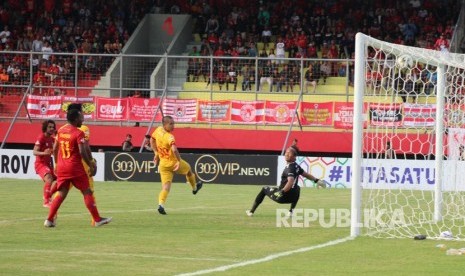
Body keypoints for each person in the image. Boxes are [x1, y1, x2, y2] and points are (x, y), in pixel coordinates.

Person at [44, 108, 111, 227]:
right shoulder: (78, 132)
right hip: (74, 167)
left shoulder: (61, 130)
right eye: (81, 117)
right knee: (87, 191)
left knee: (62, 193)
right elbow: (82, 150)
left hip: (62, 167)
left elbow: (55, 149)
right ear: (75, 119)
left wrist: (56, 164)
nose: (83, 119)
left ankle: (49, 220)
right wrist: (90, 164)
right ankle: (97, 219)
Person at [246, 140, 328, 217]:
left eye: (289, 153)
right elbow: (306, 175)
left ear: (294, 157)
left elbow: (291, 181)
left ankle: (251, 212)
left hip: (282, 197)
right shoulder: (296, 166)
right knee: (298, 188)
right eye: (286, 152)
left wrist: (281, 191)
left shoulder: (289, 168)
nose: (286, 154)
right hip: (292, 198)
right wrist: (317, 181)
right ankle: (291, 211)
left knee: (264, 189)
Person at [150, 115, 203, 215]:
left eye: (173, 123)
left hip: (163, 164)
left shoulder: (158, 130)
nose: (173, 125)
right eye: (171, 124)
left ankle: (161, 205)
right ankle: (194, 188)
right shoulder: (169, 136)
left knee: (165, 187)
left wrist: (156, 153)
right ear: (165, 125)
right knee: (188, 170)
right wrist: (179, 161)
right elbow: (174, 149)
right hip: (174, 163)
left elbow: (152, 140)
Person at [33, 120, 57, 207]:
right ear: (45, 128)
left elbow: (55, 149)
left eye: (53, 127)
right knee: (49, 179)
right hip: (40, 164)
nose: (52, 129)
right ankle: (46, 201)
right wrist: (44, 153)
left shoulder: (52, 139)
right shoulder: (41, 137)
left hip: (48, 164)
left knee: (62, 179)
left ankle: (49, 195)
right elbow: (34, 152)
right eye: (49, 127)